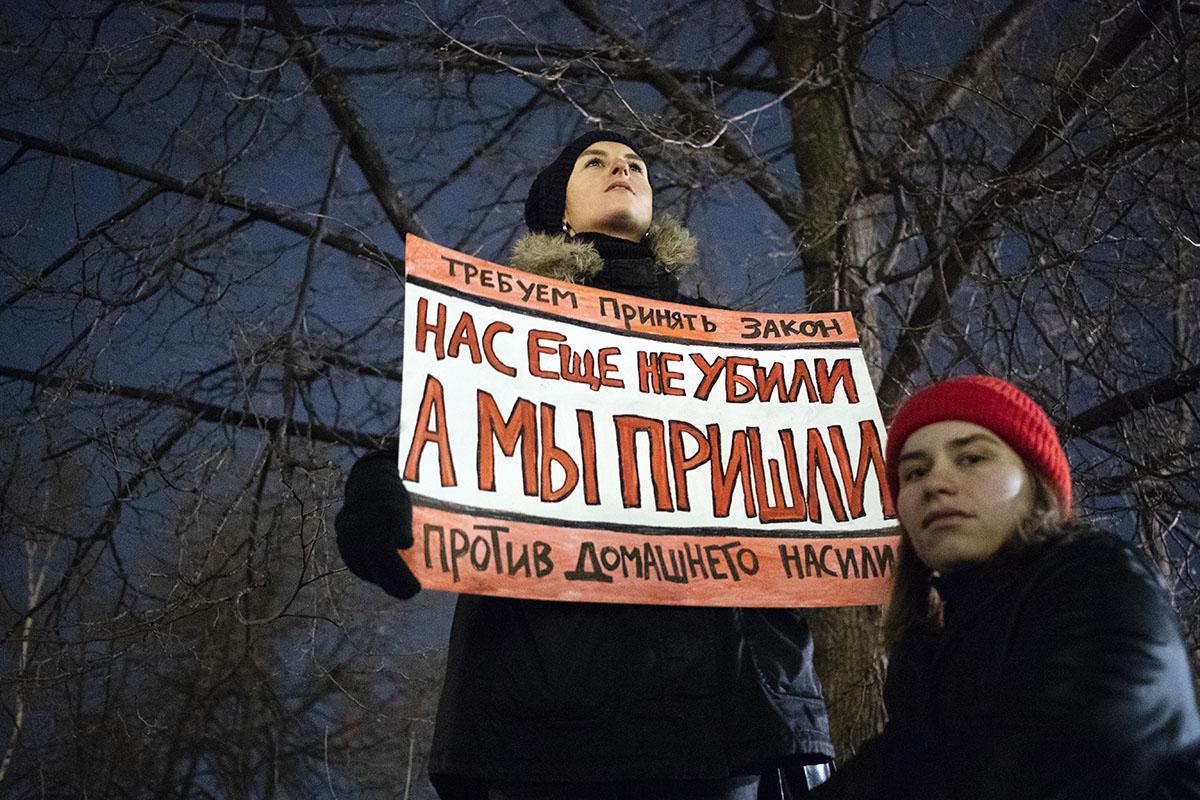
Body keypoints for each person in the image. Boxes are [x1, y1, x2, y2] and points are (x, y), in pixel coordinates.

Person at [336, 130, 835, 800]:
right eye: (594, 162)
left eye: (634, 164)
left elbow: (812, 480)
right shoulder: (506, 338)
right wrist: (378, 486)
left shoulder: (737, 352)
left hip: (730, 715)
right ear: (560, 212)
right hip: (553, 709)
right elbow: (444, 433)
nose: (621, 169)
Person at [807, 375, 1200, 800]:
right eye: (915, 472)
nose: (934, 484)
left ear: (1036, 485)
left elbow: (1050, 761)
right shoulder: (925, 651)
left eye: (972, 459)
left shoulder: (1099, 579)